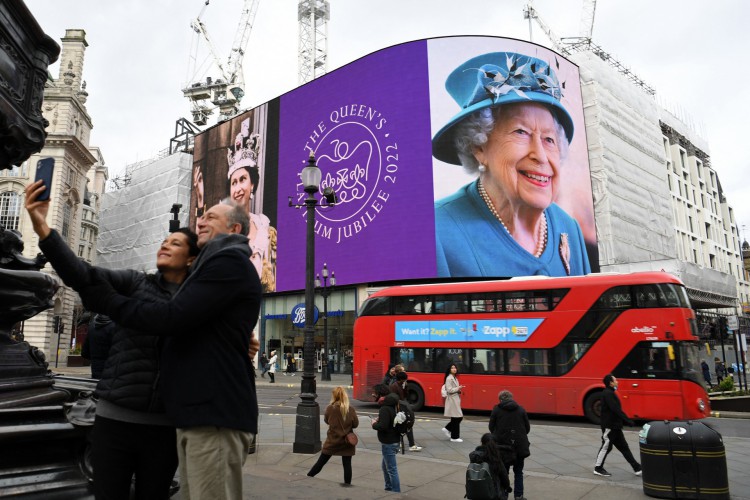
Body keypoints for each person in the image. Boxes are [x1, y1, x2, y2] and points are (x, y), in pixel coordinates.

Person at [25, 179, 200, 499]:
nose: (165, 245)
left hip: (164, 428)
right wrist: (43, 229)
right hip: (114, 420)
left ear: (191, 259)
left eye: (175, 243)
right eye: (164, 240)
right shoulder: (135, 284)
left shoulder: (198, 303)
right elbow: (84, 275)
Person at [78, 199, 262, 500]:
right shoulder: (212, 265)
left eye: (210, 217)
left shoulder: (227, 261)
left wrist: (110, 303)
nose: (200, 221)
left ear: (234, 228)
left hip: (213, 415)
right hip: (198, 415)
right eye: (201, 215)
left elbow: (172, 317)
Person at [432, 51, 591, 278]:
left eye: (549, 139)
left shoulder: (569, 229)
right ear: (479, 147)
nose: (541, 156)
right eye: (521, 132)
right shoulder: (437, 231)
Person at [226, 119, 276, 292]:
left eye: (242, 180)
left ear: (252, 184)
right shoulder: (223, 228)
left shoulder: (265, 228)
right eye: (234, 183)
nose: (238, 188)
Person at [307, 387, 359, 486]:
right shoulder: (350, 409)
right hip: (347, 442)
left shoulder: (330, 408)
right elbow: (355, 424)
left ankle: (308, 476)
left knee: (321, 462)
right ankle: (347, 484)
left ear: (334, 396)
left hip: (333, 440)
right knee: (347, 464)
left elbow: (327, 421)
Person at [593, 374, 642, 478]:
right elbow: (615, 409)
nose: (617, 381)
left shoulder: (610, 392)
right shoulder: (608, 394)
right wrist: (628, 420)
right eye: (615, 380)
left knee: (624, 447)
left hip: (615, 426)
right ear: (611, 382)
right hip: (610, 426)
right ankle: (598, 468)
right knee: (606, 447)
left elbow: (615, 410)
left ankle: (637, 468)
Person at [489, 390, 531, 500]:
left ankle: (504, 495)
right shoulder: (521, 409)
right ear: (511, 398)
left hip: (503, 447)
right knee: (518, 472)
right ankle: (519, 496)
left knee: (504, 472)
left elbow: (491, 428)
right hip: (519, 446)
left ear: (500, 399)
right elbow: (527, 428)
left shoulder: (496, 409)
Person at [371, 392, 401, 493]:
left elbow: (382, 426)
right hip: (395, 441)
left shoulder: (384, 409)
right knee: (385, 467)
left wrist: (374, 423)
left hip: (388, 443)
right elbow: (389, 423)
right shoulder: (395, 408)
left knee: (392, 469)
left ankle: (396, 492)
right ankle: (388, 487)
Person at [469, 433, 512, 499]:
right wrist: (507, 487)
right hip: (493, 492)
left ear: (482, 442)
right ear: (495, 444)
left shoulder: (475, 456)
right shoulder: (495, 457)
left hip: (477, 490)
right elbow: (503, 475)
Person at [389, 371, 422, 451]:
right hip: (399, 409)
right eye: (404, 380)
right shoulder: (394, 386)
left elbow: (405, 395)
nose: (405, 381)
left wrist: (405, 388)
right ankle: (410, 445)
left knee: (404, 425)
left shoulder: (401, 385)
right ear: (400, 380)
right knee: (406, 425)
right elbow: (395, 398)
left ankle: (403, 443)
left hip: (402, 408)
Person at [81, 313, 114, 379]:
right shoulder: (114, 327)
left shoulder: (92, 327)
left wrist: (95, 358)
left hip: (96, 372)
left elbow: (84, 353)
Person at [442, 363, 465, 442]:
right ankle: (454, 437)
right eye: (452, 368)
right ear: (449, 370)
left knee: (456, 417)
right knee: (457, 417)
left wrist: (459, 390)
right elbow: (449, 390)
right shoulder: (449, 378)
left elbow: (454, 389)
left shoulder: (455, 378)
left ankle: (447, 429)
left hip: (455, 399)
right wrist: (458, 388)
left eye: (455, 368)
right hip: (452, 400)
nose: (454, 369)